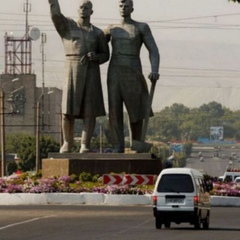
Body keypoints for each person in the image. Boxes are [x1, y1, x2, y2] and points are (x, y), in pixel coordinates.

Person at [48, 0, 109, 153]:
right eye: (81, 7)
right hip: (71, 68)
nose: (83, 10)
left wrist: (97, 57)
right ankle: (67, 143)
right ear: (78, 10)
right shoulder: (68, 26)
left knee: (90, 110)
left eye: (87, 8)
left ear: (91, 12)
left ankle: (84, 144)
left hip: (91, 70)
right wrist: (52, 1)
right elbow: (56, 15)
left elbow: (106, 54)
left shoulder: (98, 33)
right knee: (67, 110)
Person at [104, 0, 160, 153]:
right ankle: (118, 145)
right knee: (114, 110)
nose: (124, 8)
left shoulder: (141, 27)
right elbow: (98, 44)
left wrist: (154, 70)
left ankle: (136, 143)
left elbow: (153, 50)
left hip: (133, 69)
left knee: (135, 111)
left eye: (127, 5)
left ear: (132, 8)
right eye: (121, 6)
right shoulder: (111, 28)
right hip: (114, 70)